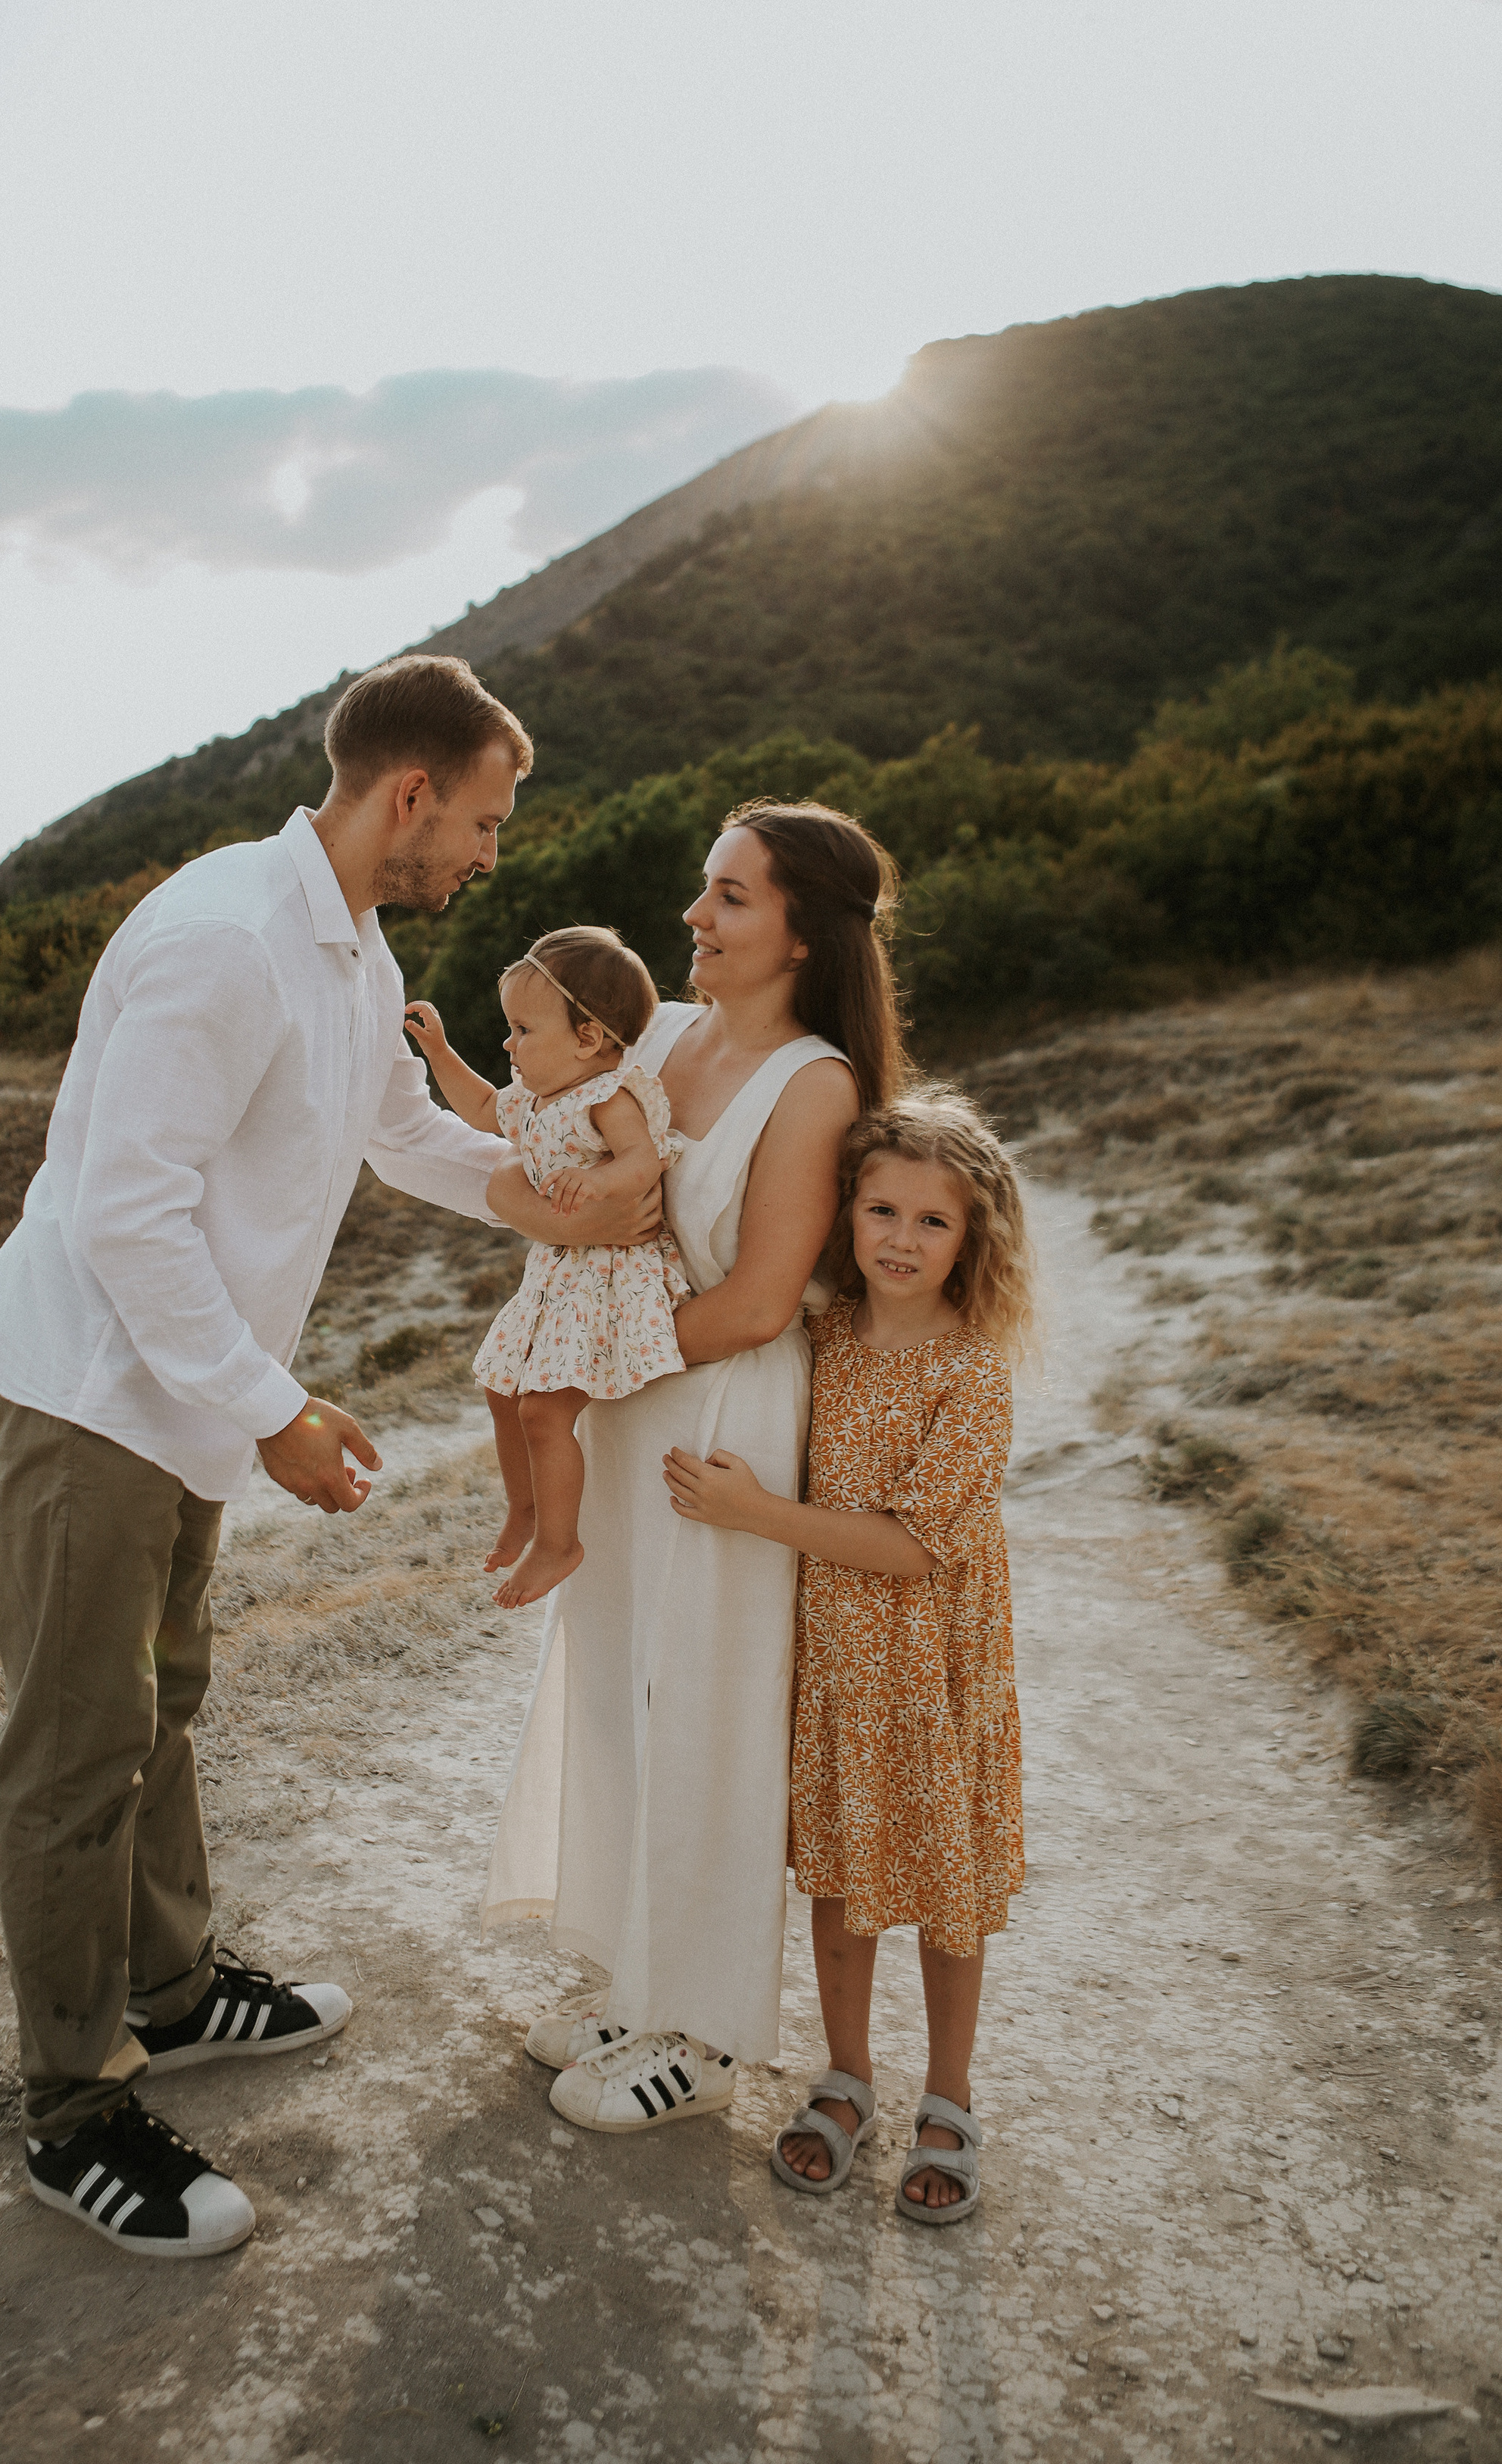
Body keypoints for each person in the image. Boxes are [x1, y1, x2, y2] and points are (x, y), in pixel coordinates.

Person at [0, 655, 656, 2260]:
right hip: (94, 1399)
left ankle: (176, 1989)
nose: (489, 857)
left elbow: (395, 1127)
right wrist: (270, 1407)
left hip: (182, 1394)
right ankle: (73, 2111)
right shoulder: (227, 940)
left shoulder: (346, 944)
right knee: (73, 1756)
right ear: (407, 792)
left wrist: (550, 1203)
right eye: (479, 821)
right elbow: (127, 1211)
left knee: (163, 1706)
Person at [484, 797, 904, 2136]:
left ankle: (708, 2030)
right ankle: (629, 1970)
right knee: (615, 1685)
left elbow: (760, 1300)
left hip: (717, 1414)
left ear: (800, 933)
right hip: (621, 1404)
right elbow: (560, 1173)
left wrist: (582, 1348)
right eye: (703, 889)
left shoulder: (817, 1081)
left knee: (710, 1708)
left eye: (729, 897)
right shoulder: (659, 1034)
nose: (695, 917)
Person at [664, 1088, 1033, 2223]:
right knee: (840, 1874)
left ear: (973, 1240)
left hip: (931, 1673)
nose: (901, 1240)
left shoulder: (972, 1373)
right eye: (882, 1209)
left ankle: (951, 2095)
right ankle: (849, 2075)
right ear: (848, 1212)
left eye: (933, 1222)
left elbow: (914, 1550)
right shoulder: (821, 1334)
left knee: (943, 1885)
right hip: (834, 1669)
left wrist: (755, 1512)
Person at [404, 928, 690, 1611]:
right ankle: (525, 1507)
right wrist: (439, 1051)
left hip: (608, 1278)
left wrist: (599, 1188)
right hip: (558, 1276)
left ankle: (562, 1541)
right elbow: (475, 1108)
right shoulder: (531, 1101)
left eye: (523, 1029)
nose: (510, 1044)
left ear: (588, 1038)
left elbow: (644, 1159)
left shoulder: (608, 1097)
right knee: (500, 1388)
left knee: (542, 1411)